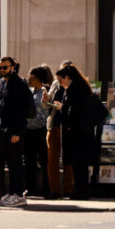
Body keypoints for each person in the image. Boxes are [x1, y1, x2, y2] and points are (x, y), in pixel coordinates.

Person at [0, 56, 33, 206]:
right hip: (2, 129)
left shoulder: (19, 84)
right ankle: (10, 193)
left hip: (14, 130)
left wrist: (17, 132)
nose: (2, 70)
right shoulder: (0, 84)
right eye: (0, 68)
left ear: (12, 67)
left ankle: (18, 194)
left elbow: (21, 111)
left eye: (5, 67)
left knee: (16, 163)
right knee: (8, 162)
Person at [54, 62, 95, 198]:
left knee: (78, 163)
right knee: (79, 163)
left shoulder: (74, 89)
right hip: (81, 131)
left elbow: (74, 110)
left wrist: (62, 108)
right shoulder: (80, 87)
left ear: (67, 77)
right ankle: (81, 190)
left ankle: (81, 191)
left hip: (77, 132)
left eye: (60, 80)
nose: (60, 83)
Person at [24, 66, 52, 198]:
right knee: (29, 161)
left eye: (29, 75)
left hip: (41, 130)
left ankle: (47, 189)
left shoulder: (45, 91)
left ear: (36, 77)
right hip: (29, 131)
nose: (27, 78)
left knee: (44, 160)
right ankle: (29, 188)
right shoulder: (28, 91)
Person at [44, 62, 71, 199]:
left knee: (69, 161)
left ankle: (68, 190)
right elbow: (47, 103)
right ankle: (54, 190)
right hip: (54, 124)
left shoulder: (75, 85)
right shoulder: (55, 84)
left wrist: (63, 106)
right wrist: (46, 101)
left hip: (68, 127)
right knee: (52, 160)